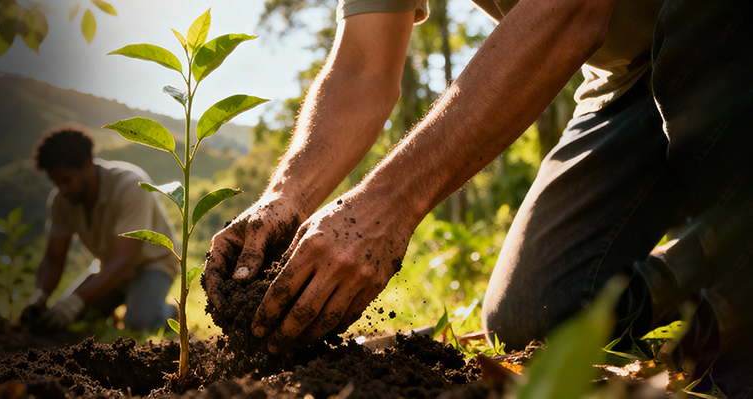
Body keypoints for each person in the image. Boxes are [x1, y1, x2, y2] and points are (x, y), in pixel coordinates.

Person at [203, 0, 753, 394]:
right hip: (626, 77)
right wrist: (287, 196)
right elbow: (362, 67)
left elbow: (573, 9)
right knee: (531, 318)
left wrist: (388, 204)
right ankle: (711, 250)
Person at [22, 123, 178, 332]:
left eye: (66, 180)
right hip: (109, 268)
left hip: (151, 265)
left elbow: (126, 260)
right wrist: (40, 296)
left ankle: (169, 312)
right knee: (69, 319)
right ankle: (125, 306)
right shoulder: (61, 201)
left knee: (138, 323)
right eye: (56, 182)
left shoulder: (130, 184)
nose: (62, 189)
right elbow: (54, 257)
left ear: (87, 164)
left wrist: (76, 301)